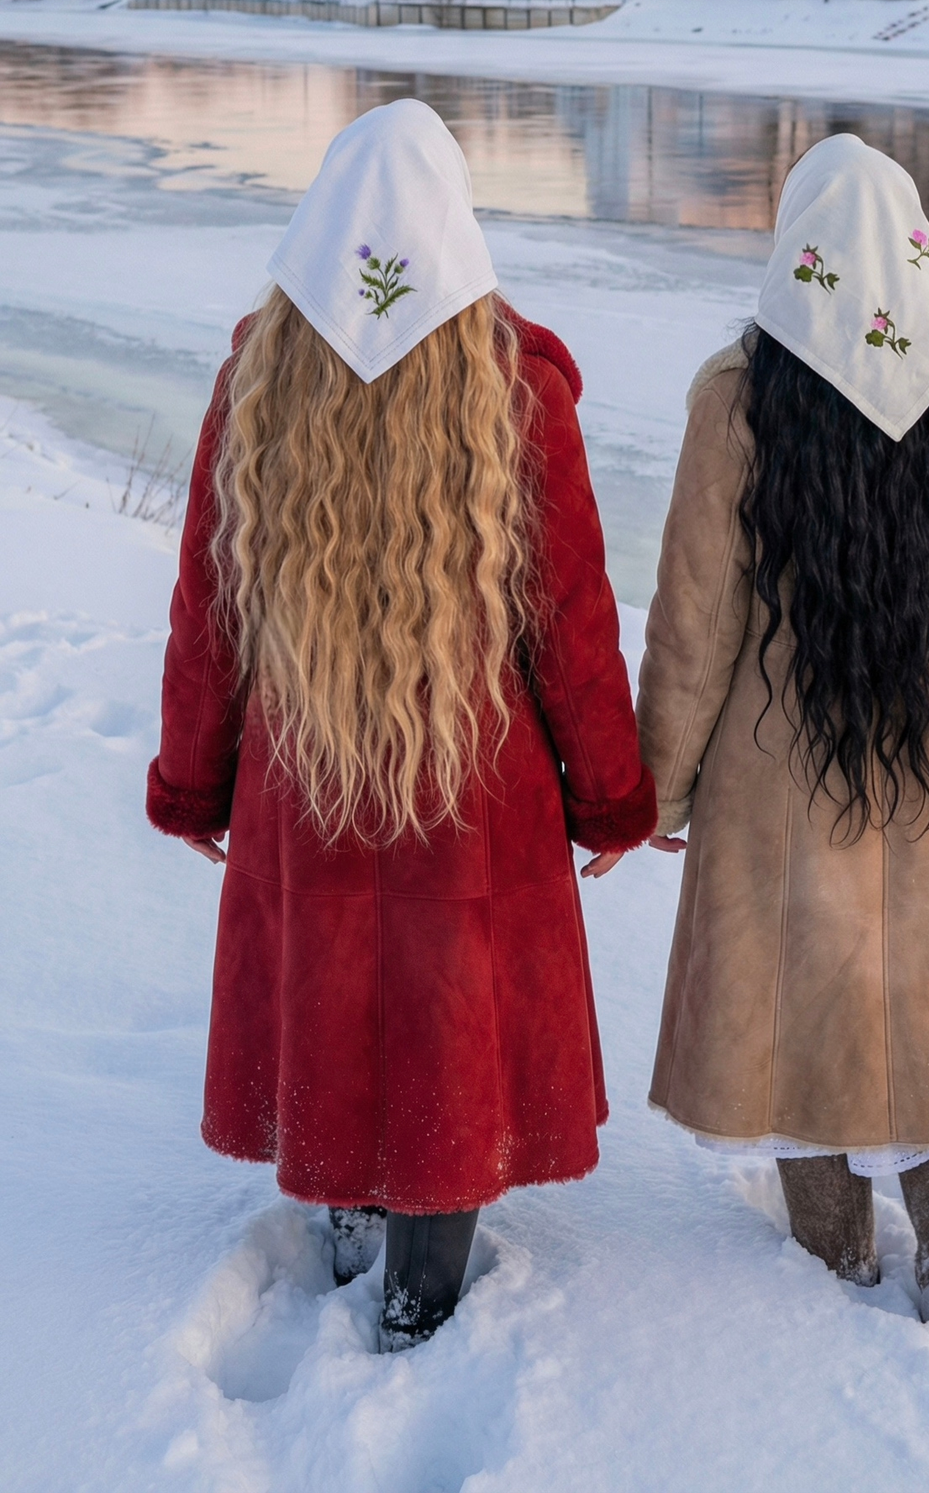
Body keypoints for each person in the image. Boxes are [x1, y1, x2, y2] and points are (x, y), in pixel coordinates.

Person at [146, 99, 655, 1351]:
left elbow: (208, 616)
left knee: (338, 1002)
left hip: (307, 777)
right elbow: (574, 623)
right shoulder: (513, 383)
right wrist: (609, 799)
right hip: (471, 792)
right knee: (447, 1032)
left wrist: (195, 781)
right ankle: (420, 1305)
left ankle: (353, 1229)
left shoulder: (259, 377)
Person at [622, 133, 929, 1375]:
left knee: (801, 1013)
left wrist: (660, 787)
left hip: (780, 776)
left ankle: (834, 1263)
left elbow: (695, 620)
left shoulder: (740, 395)